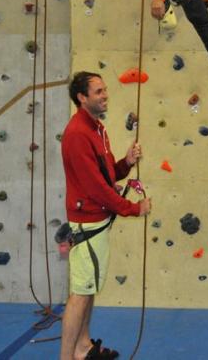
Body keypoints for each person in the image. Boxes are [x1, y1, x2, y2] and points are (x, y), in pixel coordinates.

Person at [59, 72, 152, 360]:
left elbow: (106, 173)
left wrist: (126, 163)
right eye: (98, 91)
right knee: (79, 294)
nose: (105, 95)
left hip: (96, 223)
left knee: (88, 290)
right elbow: (96, 188)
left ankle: (83, 348)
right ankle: (66, 357)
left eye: (105, 90)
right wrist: (134, 209)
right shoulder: (77, 134)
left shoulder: (96, 129)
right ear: (82, 98)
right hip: (87, 222)